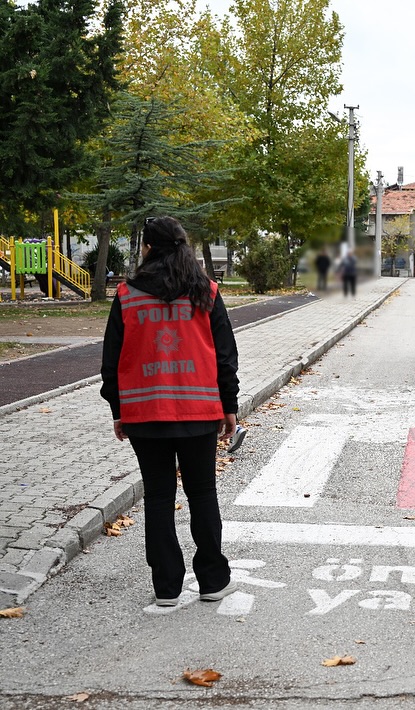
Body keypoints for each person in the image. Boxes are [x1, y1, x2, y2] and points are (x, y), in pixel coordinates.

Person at [100, 216, 239, 607]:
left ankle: (166, 589)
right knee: (202, 493)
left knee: (159, 497)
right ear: (184, 247)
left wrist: (118, 408)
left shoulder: (128, 295)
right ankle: (212, 581)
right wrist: (228, 406)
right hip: (198, 412)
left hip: (144, 414)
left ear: (147, 248)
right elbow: (226, 356)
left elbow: (111, 359)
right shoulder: (206, 292)